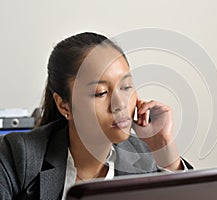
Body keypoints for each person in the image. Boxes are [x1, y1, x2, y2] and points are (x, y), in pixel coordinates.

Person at [0, 32, 193, 200]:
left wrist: (164, 150)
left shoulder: (145, 160)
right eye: (101, 93)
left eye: (126, 87)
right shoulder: (19, 155)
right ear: (63, 105)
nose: (120, 104)